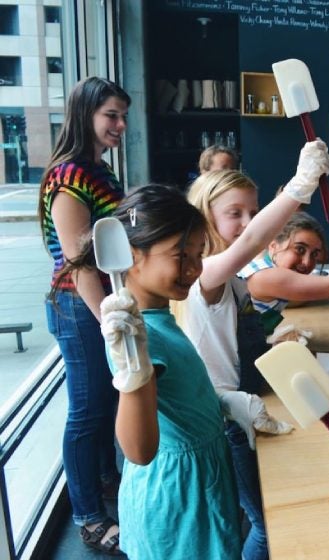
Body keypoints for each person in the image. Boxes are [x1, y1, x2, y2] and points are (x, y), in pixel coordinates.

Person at [53, 185, 239, 557]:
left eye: (197, 255)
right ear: (131, 256)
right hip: (174, 500)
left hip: (196, 482)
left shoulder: (158, 320)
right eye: (179, 255)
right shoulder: (137, 337)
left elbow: (180, 396)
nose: (193, 268)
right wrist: (132, 371)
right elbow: (138, 450)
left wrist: (226, 404)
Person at [176, 142, 329, 560]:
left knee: (249, 514)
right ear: (205, 216)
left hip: (237, 407)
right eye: (235, 213)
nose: (248, 223)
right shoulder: (206, 273)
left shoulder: (224, 277)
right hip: (224, 415)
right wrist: (301, 187)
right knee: (264, 524)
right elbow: (254, 242)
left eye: (253, 211)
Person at [39, 76, 130, 555]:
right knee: (87, 413)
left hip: (98, 300)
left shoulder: (101, 172)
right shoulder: (68, 177)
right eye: (111, 115)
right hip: (79, 304)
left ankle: (104, 485)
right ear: (85, 115)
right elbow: (79, 263)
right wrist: (106, 320)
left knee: (105, 406)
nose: (120, 124)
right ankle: (90, 518)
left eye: (122, 115)